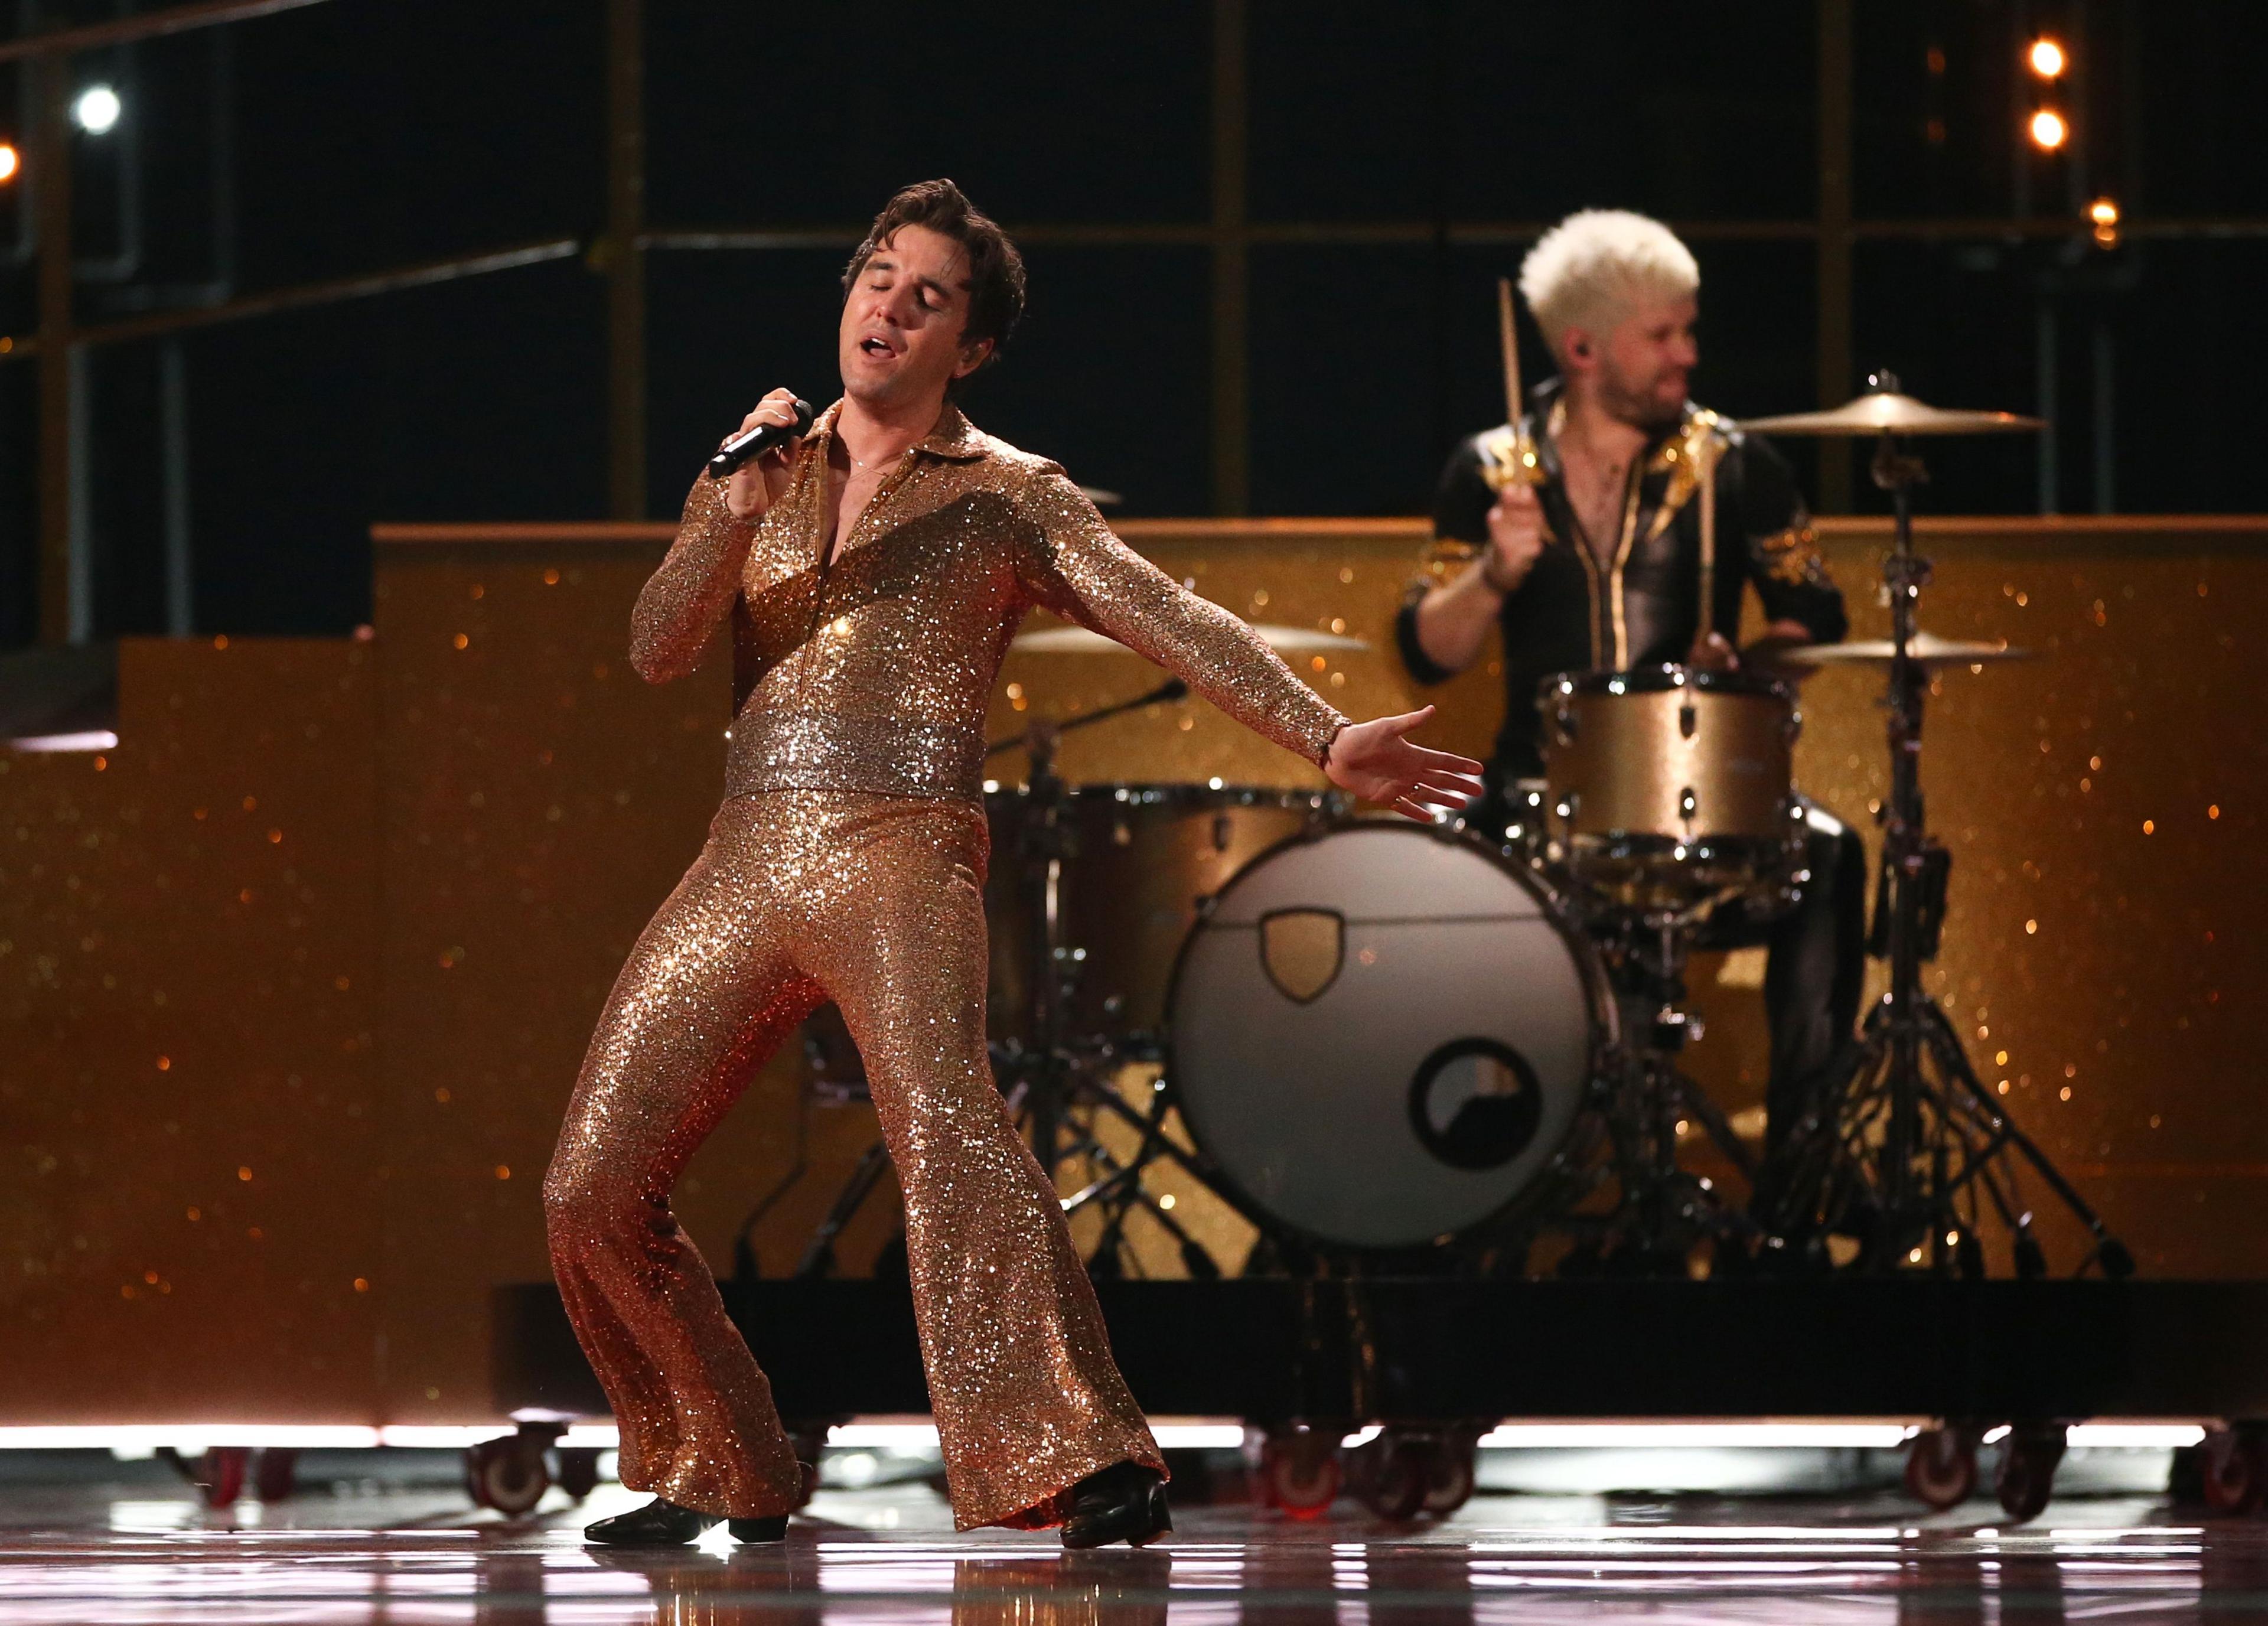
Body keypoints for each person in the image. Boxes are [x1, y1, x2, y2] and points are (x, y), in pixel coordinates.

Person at [543, 179, 1484, 1550]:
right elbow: (656, 647)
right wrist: (730, 506)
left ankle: (1084, 1454)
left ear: (968, 348)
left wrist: (1326, 735)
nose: (891, 306)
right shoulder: (763, 463)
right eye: (879, 276)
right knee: (589, 1184)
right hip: (744, 856)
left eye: (930, 297)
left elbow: (1162, 609)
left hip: (902, 847)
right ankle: (716, 1458)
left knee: (944, 1125)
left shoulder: (1006, 494)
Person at [1394, 208, 1865, 1217]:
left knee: (1832, 855)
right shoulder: (1489, 471)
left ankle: (1802, 1174)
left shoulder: (1737, 463)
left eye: (1688, 331)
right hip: (1538, 796)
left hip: (1693, 790)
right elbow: (1428, 648)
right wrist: (1495, 568)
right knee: (1426, 870)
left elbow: (1817, 616)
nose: (1687, 355)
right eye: (1664, 335)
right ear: (1581, 347)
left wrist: (1749, 659)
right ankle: (1474, 1188)